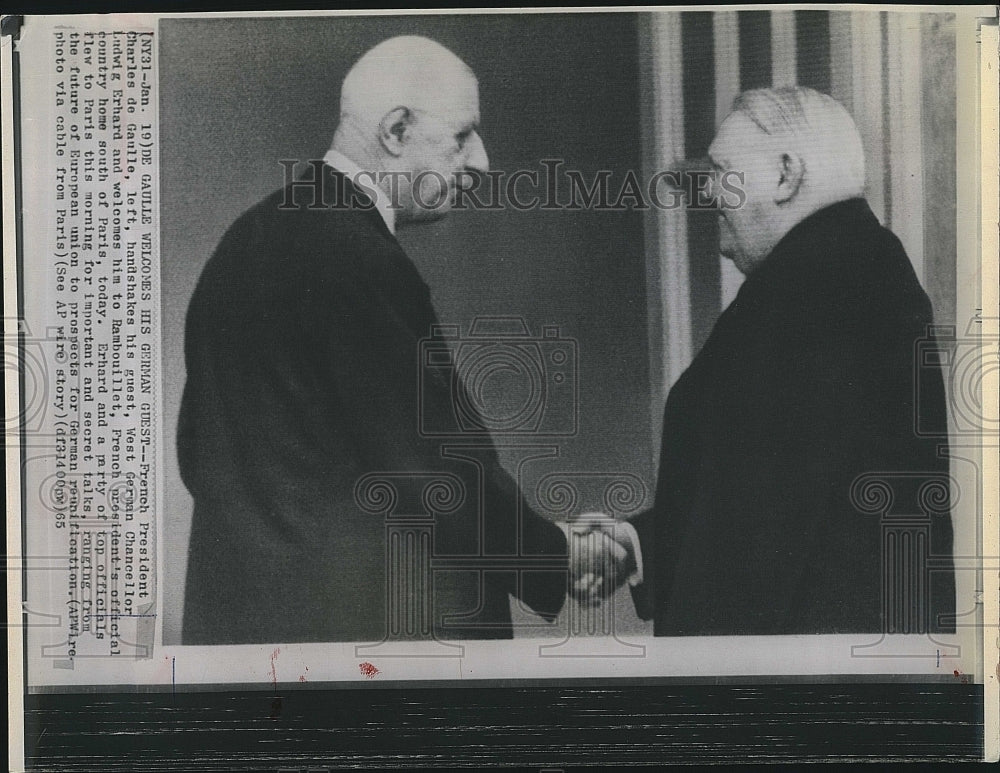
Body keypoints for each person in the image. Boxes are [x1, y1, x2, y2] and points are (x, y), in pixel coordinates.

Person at [178, 36, 613, 644]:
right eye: (463, 135)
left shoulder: (242, 244)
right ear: (397, 130)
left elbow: (198, 453)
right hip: (366, 652)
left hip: (250, 653)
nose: (482, 162)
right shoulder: (358, 257)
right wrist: (560, 555)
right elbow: (430, 470)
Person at [581, 87, 956, 635]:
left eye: (721, 171)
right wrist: (638, 544)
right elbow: (765, 491)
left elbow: (767, 539)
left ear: (785, 175)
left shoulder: (816, 288)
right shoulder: (844, 271)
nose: (707, 193)